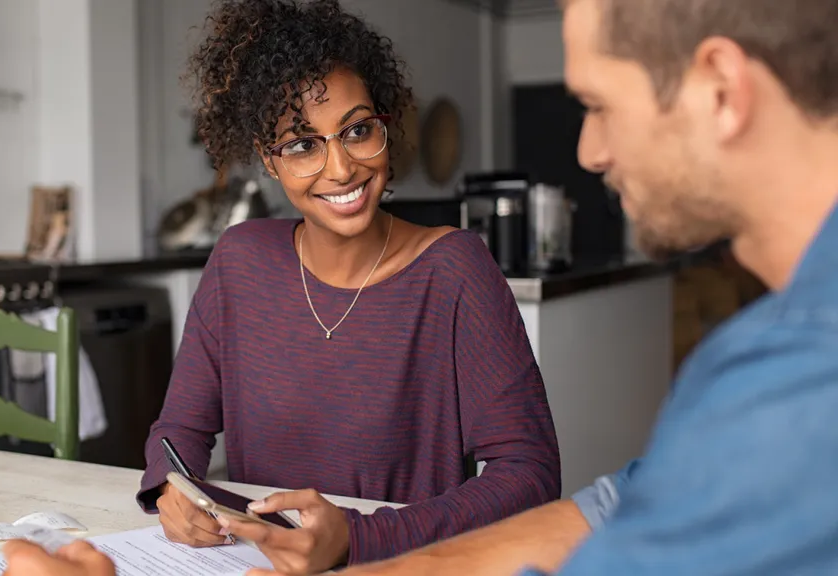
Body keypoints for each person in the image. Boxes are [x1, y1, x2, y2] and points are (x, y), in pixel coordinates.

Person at [221, 0, 838, 574]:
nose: (589, 151)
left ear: (723, 89)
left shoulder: (798, 367)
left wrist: (361, 540)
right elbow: (620, 504)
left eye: (599, 106)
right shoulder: (770, 365)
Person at [134, 0, 561, 573]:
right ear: (269, 159)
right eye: (303, 144)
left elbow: (531, 473)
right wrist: (170, 488)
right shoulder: (239, 261)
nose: (340, 168)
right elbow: (180, 430)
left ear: (386, 126)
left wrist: (359, 539)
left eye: (357, 131)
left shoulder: (456, 270)